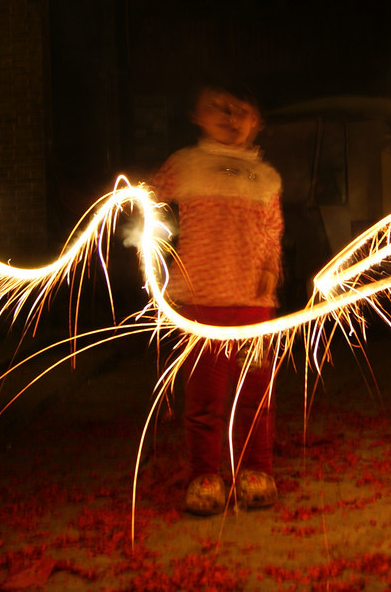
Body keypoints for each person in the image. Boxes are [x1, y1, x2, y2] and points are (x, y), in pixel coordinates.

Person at [151, 82, 283, 516]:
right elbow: (146, 199)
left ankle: (255, 470)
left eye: (239, 109)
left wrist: (269, 270)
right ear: (197, 115)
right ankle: (205, 474)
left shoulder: (265, 176)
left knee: (254, 397)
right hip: (199, 301)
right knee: (206, 399)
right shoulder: (185, 165)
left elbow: (272, 232)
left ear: (256, 121)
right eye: (217, 108)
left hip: (253, 306)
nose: (229, 117)